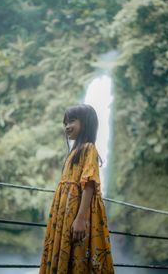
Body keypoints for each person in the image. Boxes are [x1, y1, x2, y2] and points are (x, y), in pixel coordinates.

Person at [39, 104, 115, 274]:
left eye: (71, 121)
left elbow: (88, 184)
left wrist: (80, 219)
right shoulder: (74, 152)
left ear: (86, 123)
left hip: (77, 213)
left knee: (79, 253)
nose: (67, 126)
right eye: (65, 122)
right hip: (65, 214)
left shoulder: (89, 148)